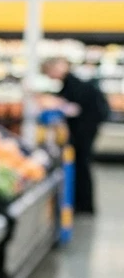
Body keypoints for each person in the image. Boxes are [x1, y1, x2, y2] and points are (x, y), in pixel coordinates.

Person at [42, 57, 110, 214]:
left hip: (84, 129)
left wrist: (60, 105)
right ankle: (82, 203)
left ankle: (84, 205)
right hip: (85, 128)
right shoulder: (71, 82)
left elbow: (74, 107)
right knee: (81, 163)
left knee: (82, 163)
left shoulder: (73, 83)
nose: (50, 76)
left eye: (49, 72)